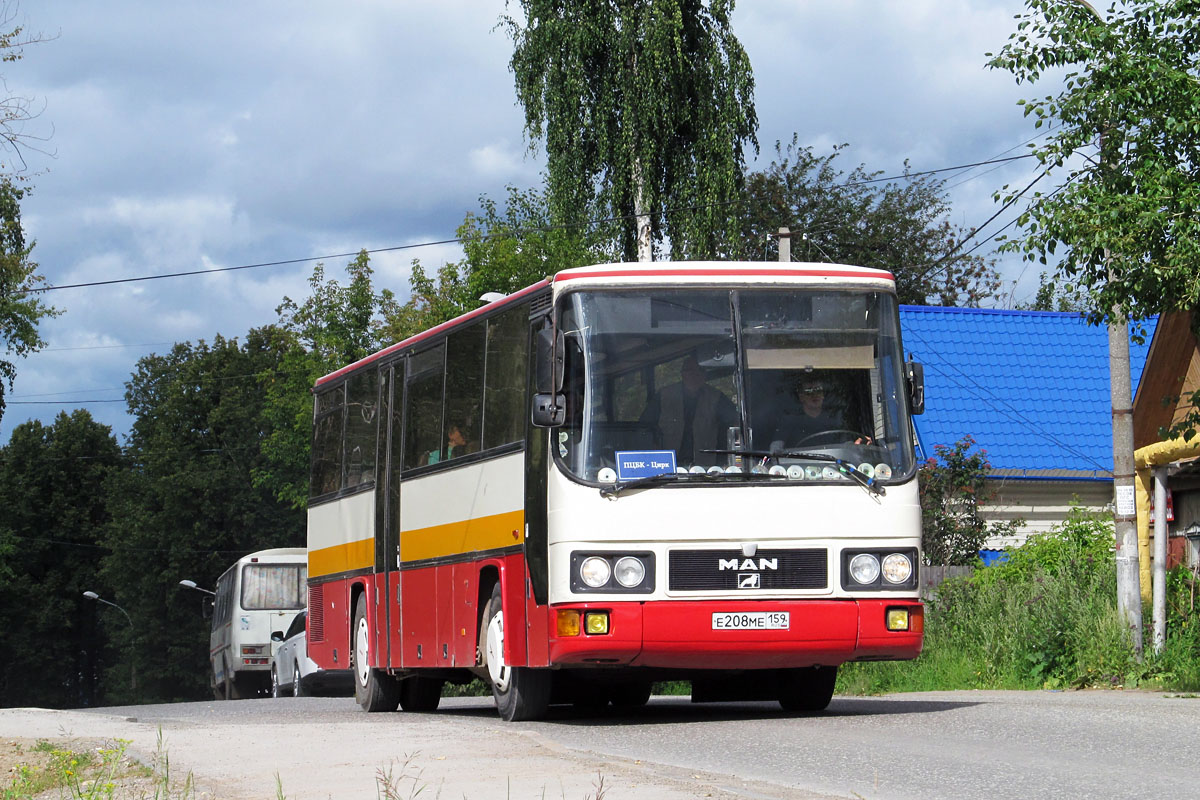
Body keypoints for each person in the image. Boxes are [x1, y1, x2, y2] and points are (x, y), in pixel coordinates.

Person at [640, 354, 738, 467]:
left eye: (699, 371)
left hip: (704, 469)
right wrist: (654, 451)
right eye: (689, 370)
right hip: (666, 467)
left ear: (705, 375)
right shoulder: (664, 396)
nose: (694, 375)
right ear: (682, 373)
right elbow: (644, 428)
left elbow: (736, 424)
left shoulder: (717, 398)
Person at [771, 373, 850, 448]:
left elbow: (847, 444)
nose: (814, 395)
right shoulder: (790, 420)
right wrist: (776, 448)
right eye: (809, 392)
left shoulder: (836, 417)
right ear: (801, 397)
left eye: (818, 390)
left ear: (823, 395)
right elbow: (776, 448)